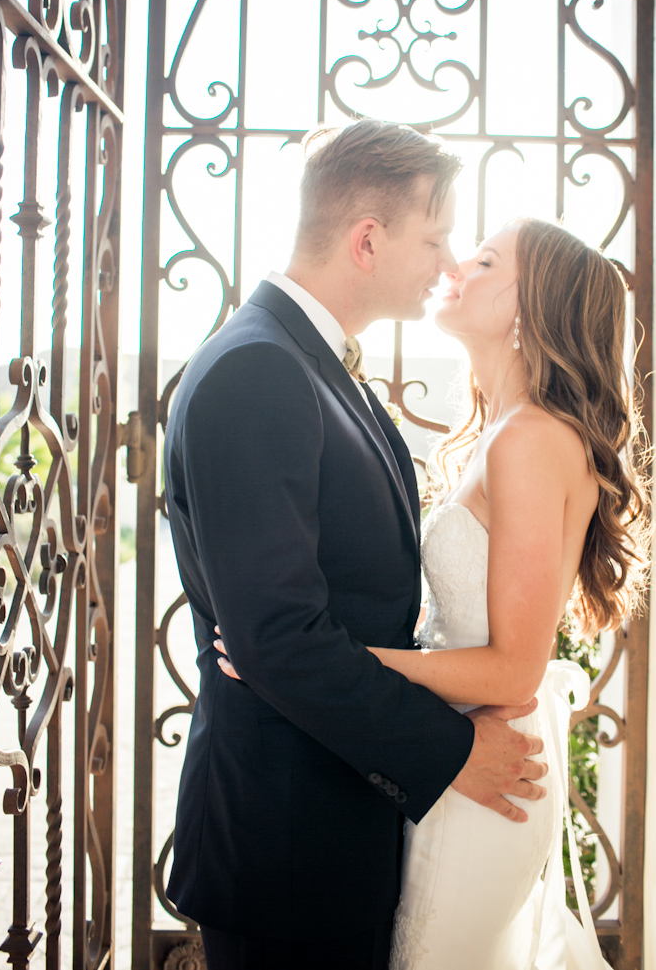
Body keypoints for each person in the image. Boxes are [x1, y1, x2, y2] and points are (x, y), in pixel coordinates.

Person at [163, 120, 549, 970]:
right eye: (436, 237)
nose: (448, 264)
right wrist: (451, 752)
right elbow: (277, 639)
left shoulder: (321, 371)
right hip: (286, 847)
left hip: (339, 835)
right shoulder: (256, 370)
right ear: (367, 239)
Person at [217, 217, 650, 969]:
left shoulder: (529, 440)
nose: (456, 267)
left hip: (488, 775)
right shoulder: (505, 428)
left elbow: (515, 668)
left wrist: (334, 658)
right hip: (459, 757)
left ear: (528, 306)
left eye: (484, 260)